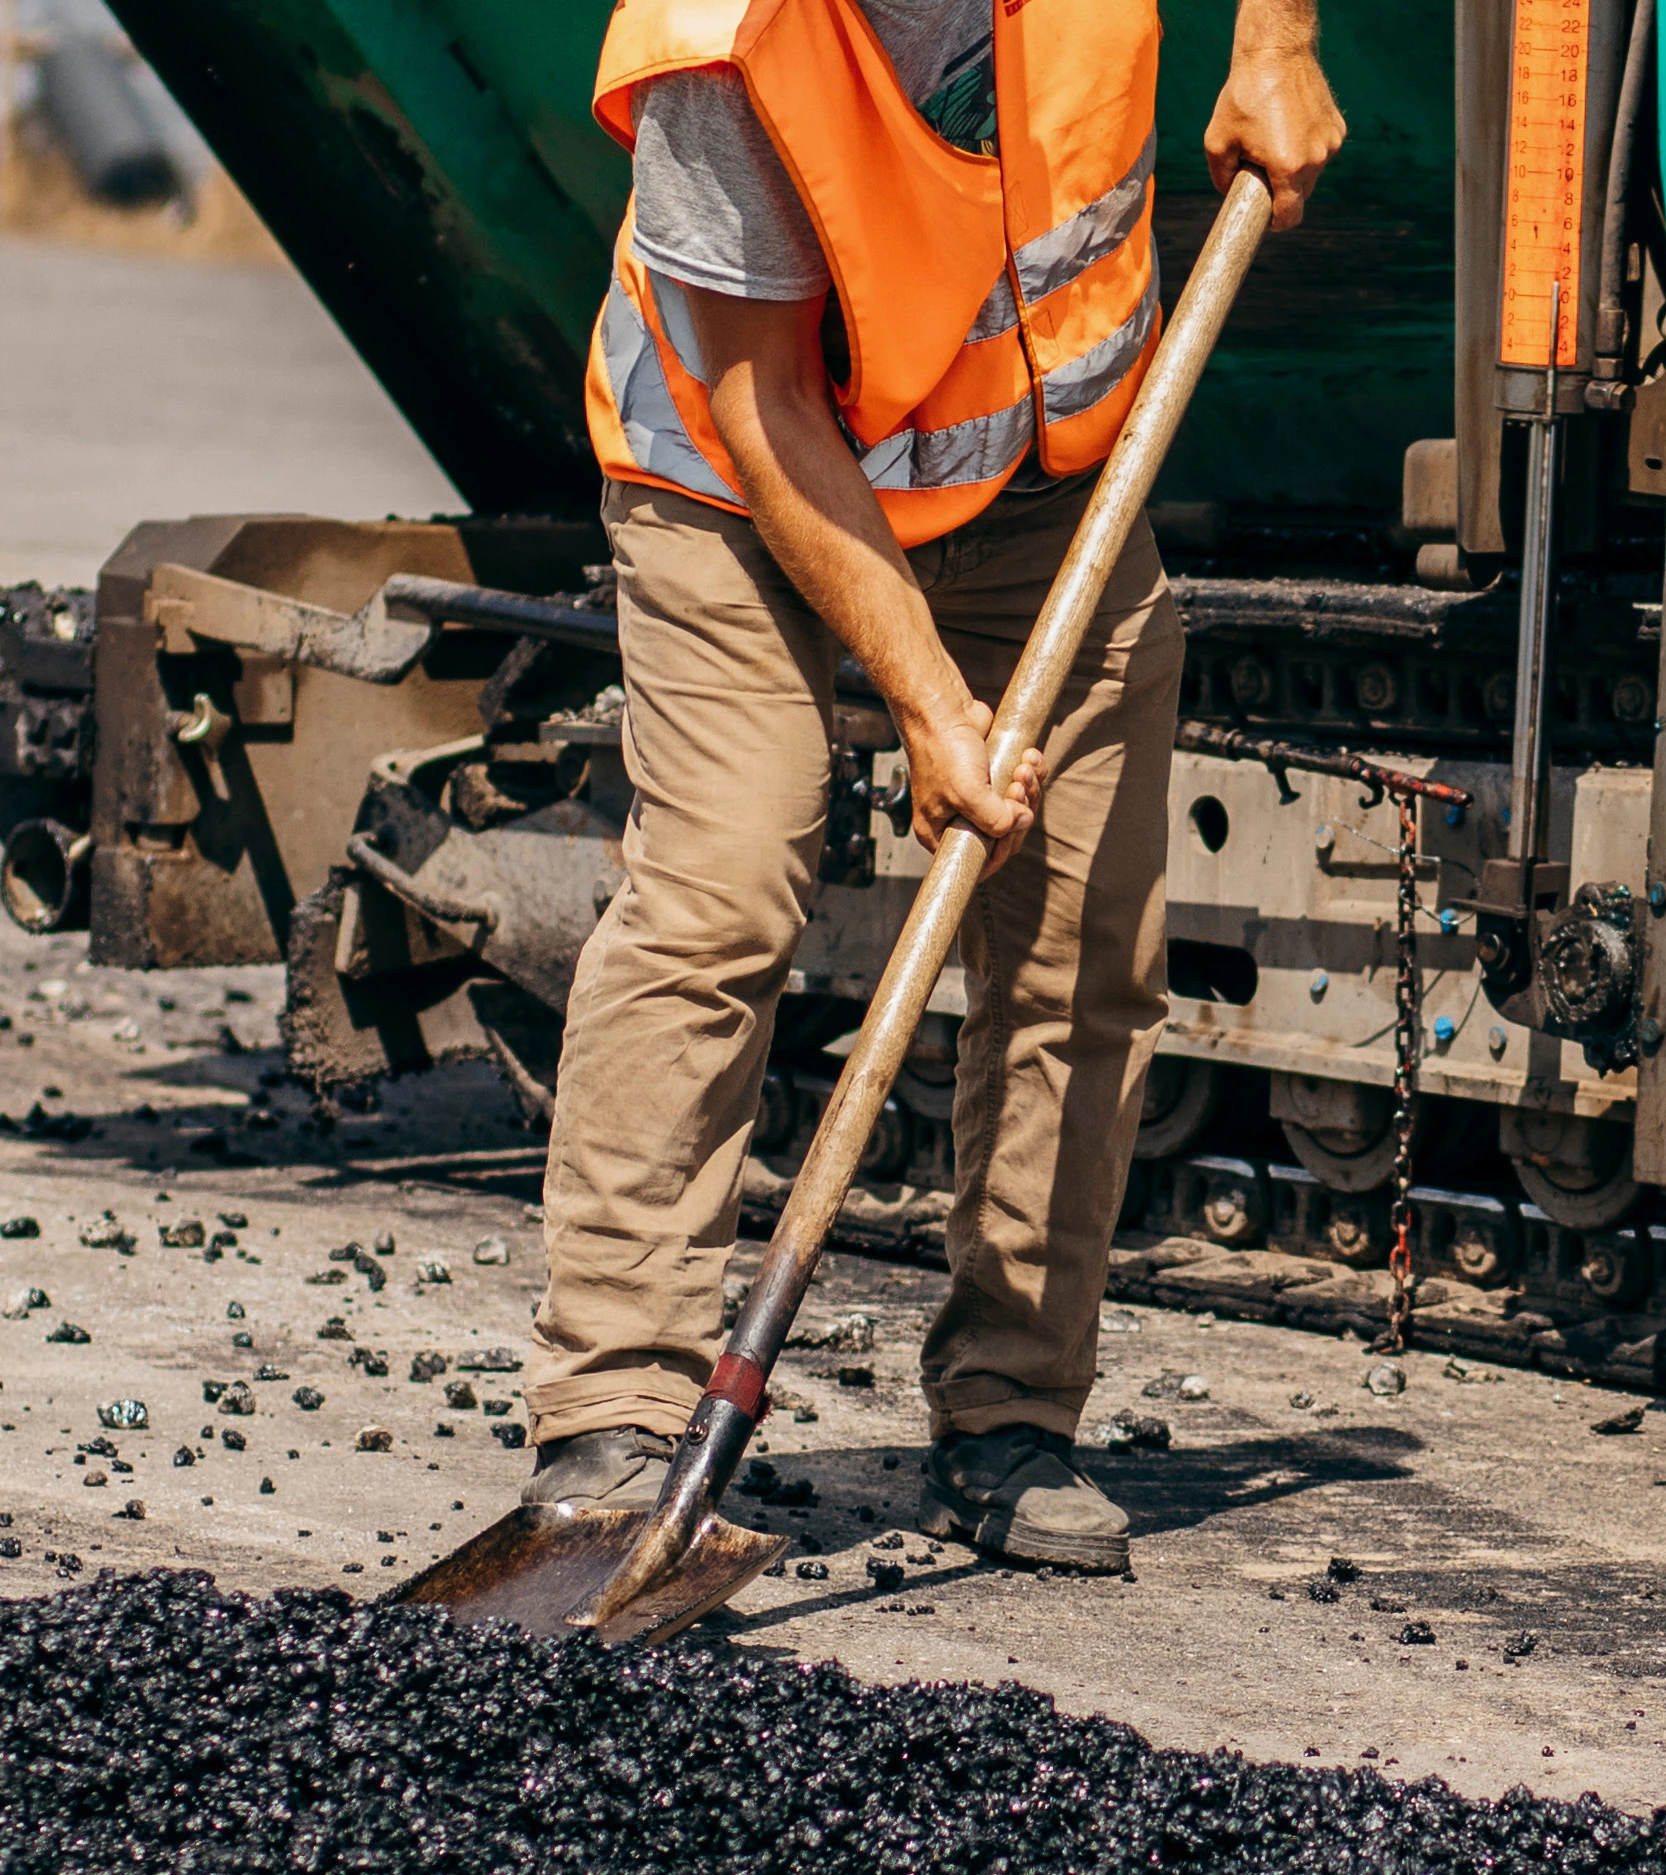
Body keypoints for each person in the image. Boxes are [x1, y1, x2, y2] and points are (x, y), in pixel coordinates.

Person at [532, 0, 1338, 1574]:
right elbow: (762, 403)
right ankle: (615, 1418)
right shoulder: (723, 42)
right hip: (728, 482)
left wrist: (1277, 42)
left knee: (1082, 947)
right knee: (722, 885)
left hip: (1045, 482)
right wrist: (926, 701)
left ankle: (1011, 1418)